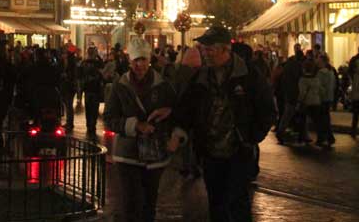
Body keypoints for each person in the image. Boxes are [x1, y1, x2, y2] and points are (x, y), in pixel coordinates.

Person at [170, 25, 274, 222]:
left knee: (237, 204)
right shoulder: (201, 76)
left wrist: (250, 137)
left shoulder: (249, 76)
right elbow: (186, 107)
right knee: (216, 203)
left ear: (226, 50)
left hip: (238, 151)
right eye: (204, 49)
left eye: (210, 49)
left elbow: (267, 109)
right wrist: (179, 130)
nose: (206, 54)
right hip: (210, 153)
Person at [103, 36, 178, 222]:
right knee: (131, 203)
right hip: (127, 153)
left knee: (149, 203)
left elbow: (178, 113)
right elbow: (110, 119)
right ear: (130, 61)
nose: (140, 65)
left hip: (154, 152)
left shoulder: (163, 85)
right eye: (136, 60)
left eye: (143, 59)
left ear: (149, 60)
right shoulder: (121, 86)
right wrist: (135, 125)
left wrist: (169, 116)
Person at [276, 44, 305, 144]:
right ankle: (282, 132)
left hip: (288, 92)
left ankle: (301, 134)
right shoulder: (296, 67)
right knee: (290, 113)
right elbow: (298, 80)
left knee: (290, 113)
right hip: (294, 93)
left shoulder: (288, 66)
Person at [297, 59, 325, 146]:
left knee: (302, 120)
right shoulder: (316, 79)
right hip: (316, 101)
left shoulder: (303, 80)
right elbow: (322, 90)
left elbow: (302, 92)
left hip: (306, 102)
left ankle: (302, 136)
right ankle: (320, 137)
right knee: (317, 121)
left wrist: (299, 101)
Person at [80, 46, 106, 139]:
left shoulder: (84, 63)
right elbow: (103, 68)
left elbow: (80, 75)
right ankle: (93, 125)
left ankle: (88, 125)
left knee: (88, 108)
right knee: (94, 109)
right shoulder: (97, 63)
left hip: (87, 89)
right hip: (95, 89)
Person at [317, 54, 337, 147]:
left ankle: (325, 137)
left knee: (322, 118)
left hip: (322, 98)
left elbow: (319, 86)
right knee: (325, 117)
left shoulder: (321, 73)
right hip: (329, 97)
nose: (318, 62)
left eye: (319, 61)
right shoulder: (331, 72)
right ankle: (328, 137)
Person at [60, 48, 79, 130]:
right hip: (66, 87)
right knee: (68, 105)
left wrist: (66, 76)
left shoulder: (70, 65)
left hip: (69, 87)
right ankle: (69, 122)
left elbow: (72, 76)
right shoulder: (66, 63)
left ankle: (70, 123)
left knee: (69, 105)